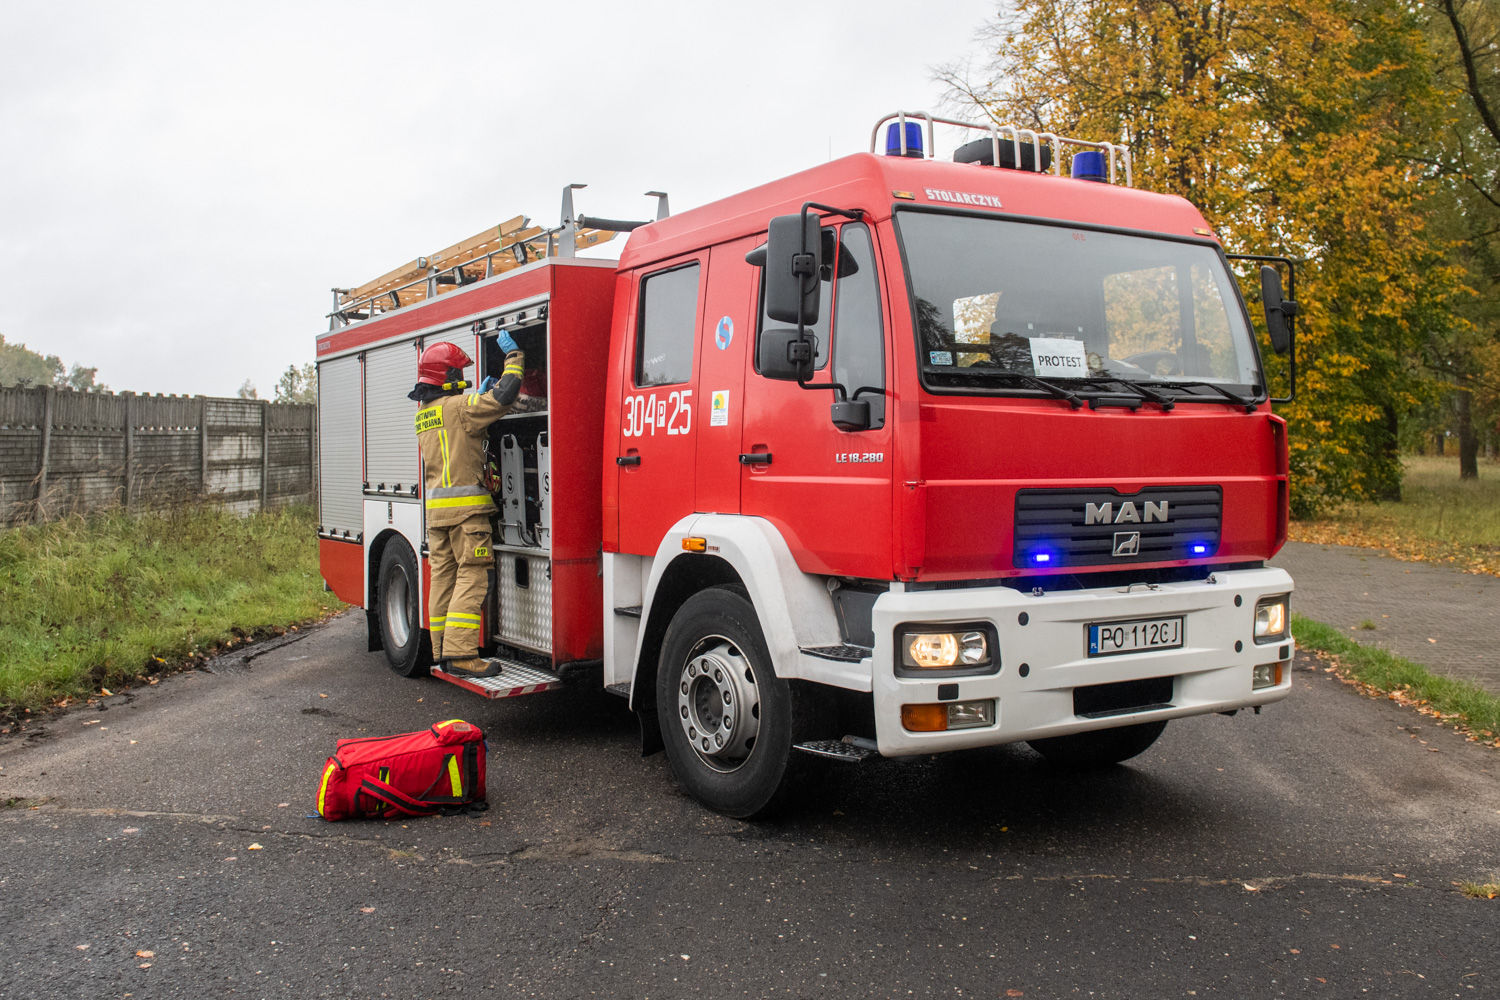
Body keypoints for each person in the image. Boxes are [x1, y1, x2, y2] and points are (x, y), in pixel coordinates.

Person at [407, 334, 524, 678]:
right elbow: (504, 396)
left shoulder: (424, 415)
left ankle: (441, 649)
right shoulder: (460, 408)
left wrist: (474, 396)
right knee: (473, 576)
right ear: (446, 376)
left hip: (438, 515)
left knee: (443, 578)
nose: (463, 379)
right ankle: (460, 655)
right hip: (467, 515)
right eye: (457, 373)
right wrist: (514, 358)